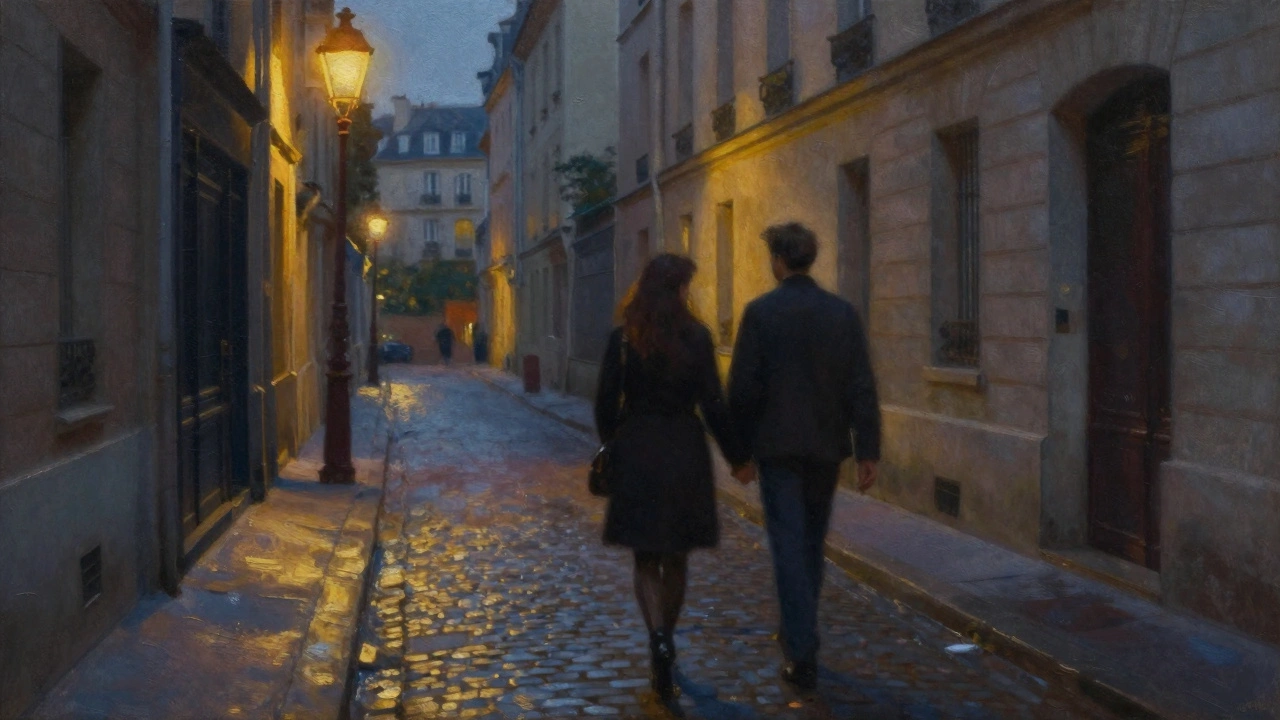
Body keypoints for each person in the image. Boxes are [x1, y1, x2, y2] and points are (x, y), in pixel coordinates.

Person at [727, 222, 882, 692]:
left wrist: (739, 453)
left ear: (778, 260)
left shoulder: (760, 314)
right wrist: (867, 450)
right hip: (825, 448)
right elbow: (861, 385)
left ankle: (800, 647)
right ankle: (801, 634)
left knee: (789, 548)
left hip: (777, 450)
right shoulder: (841, 314)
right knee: (811, 544)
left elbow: (742, 391)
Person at [594, 254, 751, 704]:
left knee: (646, 558)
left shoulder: (624, 339)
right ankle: (668, 638)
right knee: (676, 556)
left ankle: (657, 637)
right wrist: (738, 458)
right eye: (686, 287)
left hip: (638, 449)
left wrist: (615, 443)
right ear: (679, 290)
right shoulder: (697, 338)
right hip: (683, 450)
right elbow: (713, 405)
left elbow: (604, 403)